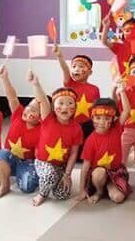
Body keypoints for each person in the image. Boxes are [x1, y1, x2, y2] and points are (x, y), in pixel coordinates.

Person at [30, 71, 82, 206]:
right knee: (49, 175)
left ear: (75, 107)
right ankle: (42, 193)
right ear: (54, 106)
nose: (65, 107)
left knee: (62, 194)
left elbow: (74, 153)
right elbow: (43, 100)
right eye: (61, 103)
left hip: (60, 166)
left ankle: (48, 180)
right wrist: (36, 84)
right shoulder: (48, 118)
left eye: (70, 103)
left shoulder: (76, 128)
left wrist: (67, 174)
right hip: (43, 162)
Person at [76, 88, 131, 204]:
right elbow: (85, 166)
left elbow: (127, 111)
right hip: (98, 174)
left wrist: (122, 91)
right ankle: (99, 191)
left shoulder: (116, 128)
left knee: (118, 198)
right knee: (99, 173)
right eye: (98, 118)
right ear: (92, 118)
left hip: (115, 172)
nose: (102, 122)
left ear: (113, 119)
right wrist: (81, 190)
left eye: (107, 118)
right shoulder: (91, 140)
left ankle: (110, 184)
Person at [0, 65, 41, 198]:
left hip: (27, 162)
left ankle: (21, 173)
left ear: (40, 117)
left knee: (27, 187)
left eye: (33, 110)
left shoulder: (42, 129)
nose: (28, 111)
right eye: (28, 107)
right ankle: (5, 185)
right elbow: (12, 97)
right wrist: (4, 78)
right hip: (10, 157)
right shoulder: (18, 115)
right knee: (1, 154)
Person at [53, 45, 100, 146]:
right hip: (71, 122)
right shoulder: (70, 84)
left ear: (90, 72)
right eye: (74, 66)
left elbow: (96, 108)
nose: (77, 69)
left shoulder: (95, 89)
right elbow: (65, 70)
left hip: (88, 124)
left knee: (86, 145)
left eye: (81, 66)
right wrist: (60, 56)